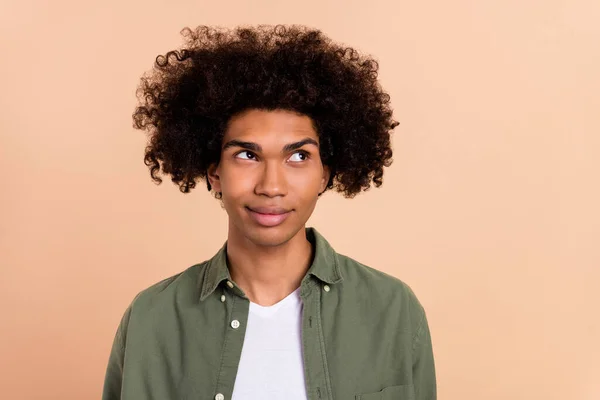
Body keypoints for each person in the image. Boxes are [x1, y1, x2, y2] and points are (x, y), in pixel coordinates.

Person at [102, 24, 436, 400]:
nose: (272, 185)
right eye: (247, 155)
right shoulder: (152, 318)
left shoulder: (392, 310)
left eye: (298, 156)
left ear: (325, 174)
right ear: (214, 172)